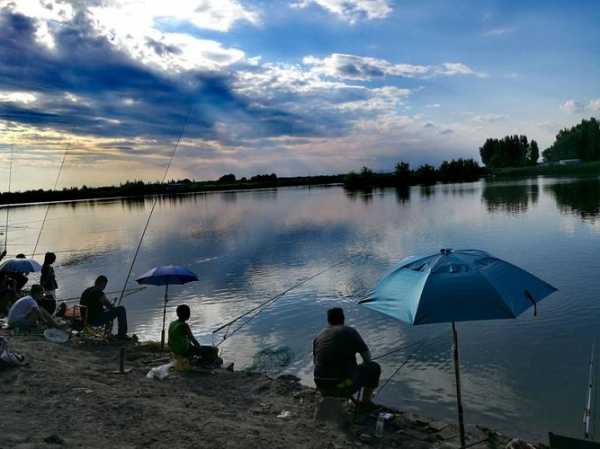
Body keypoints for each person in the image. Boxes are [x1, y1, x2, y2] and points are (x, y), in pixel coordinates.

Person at [313, 307, 381, 405]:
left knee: (346, 373)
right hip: (341, 386)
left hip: (321, 386)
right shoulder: (350, 331)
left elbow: (316, 362)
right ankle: (366, 402)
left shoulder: (319, 336)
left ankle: (348, 398)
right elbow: (367, 359)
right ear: (343, 318)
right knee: (374, 367)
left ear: (328, 320)